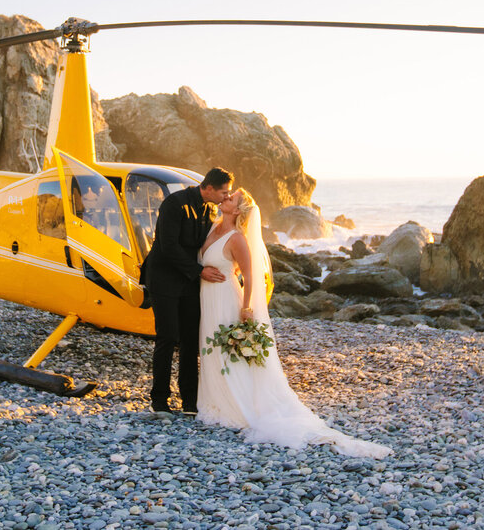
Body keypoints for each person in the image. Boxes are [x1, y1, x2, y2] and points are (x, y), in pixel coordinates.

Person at [197, 188, 392, 458]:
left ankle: (234, 406)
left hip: (227, 299)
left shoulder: (237, 239)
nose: (225, 199)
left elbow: (251, 276)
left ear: (238, 210)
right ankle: (214, 401)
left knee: (228, 351)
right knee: (211, 348)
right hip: (208, 297)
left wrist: (247, 307)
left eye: (231, 199)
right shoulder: (213, 228)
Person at [142, 167, 233, 414]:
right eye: (223, 192)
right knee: (167, 337)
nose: (226, 196)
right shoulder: (175, 203)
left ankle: (190, 401)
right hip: (163, 278)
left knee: (191, 340)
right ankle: (159, 400)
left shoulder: (210, 208)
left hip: (190, 281)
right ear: (209, 188)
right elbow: (167, 245)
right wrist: (199, 271)